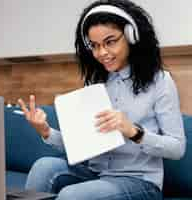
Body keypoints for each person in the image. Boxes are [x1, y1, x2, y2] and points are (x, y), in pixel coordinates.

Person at [17, 0, 186, 199]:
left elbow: (177, 148)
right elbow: (82, 146)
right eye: (95, 46)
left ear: (132, 36)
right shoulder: (96, 83)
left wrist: (133, 131)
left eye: (110, 41)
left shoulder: (160, 81)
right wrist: (45, 131)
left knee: (72, 195)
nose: (102, 53)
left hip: (139, 181)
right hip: (96, 173)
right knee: (44, 167)